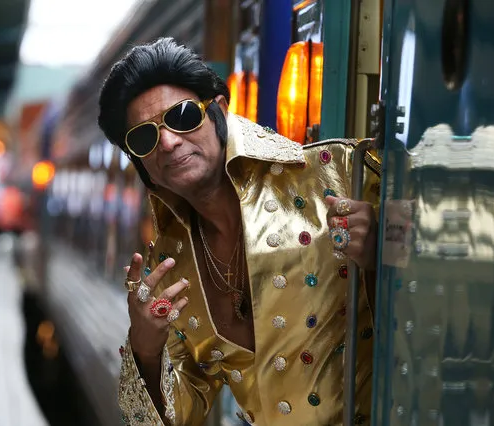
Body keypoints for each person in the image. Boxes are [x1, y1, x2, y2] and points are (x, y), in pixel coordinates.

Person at [97, 37, 382, 426]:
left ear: (218, 111)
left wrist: (380, 258)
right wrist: (146, 348)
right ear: (141, 162)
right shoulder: (168, 266)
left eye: (182, 116)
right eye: (144, 137)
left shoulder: (339, 174)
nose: (167, 141)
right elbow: (179, 415)